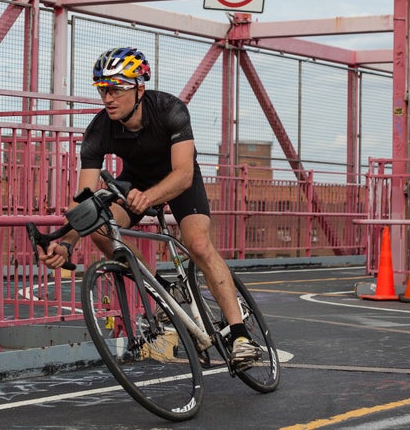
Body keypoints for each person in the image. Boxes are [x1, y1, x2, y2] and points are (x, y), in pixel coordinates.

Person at [39, 47, 261, 368]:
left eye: (116, 89)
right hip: (135, 182)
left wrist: (151, 197)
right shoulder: (100, 128)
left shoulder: (170, 110)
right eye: (103, 90)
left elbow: (184, 174)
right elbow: (84, 197)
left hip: (178, 179)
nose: (107, 98)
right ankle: (162, 291)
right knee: (101, 231)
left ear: (139, 88)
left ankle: (240, 335)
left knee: (197, 243)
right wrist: (66, 243)